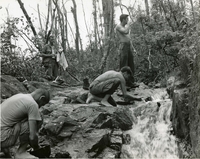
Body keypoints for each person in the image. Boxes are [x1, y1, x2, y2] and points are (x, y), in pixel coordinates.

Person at [1, 89, 50, 159]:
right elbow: (32, 137)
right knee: (39, 117)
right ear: (42, 98)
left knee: (13, 120)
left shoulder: (20, 96)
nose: (40, 107)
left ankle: (5, 150)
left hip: (2, 134)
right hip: (2, 138)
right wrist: (37, 148)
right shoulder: (32, 104)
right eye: (42, 104)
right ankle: (21, 153)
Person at [115, 14, 137, 87]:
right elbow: (125, 32)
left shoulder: (125, 27)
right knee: (124, 65)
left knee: (131, 65)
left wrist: (133, 48)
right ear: (123, 19)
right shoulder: (119, 27)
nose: (128, 20)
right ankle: (123, 83)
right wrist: (129, 26)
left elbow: (129, 39)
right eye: (127, 19)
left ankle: (131, 82)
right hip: (123, 46)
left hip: (128, 46)